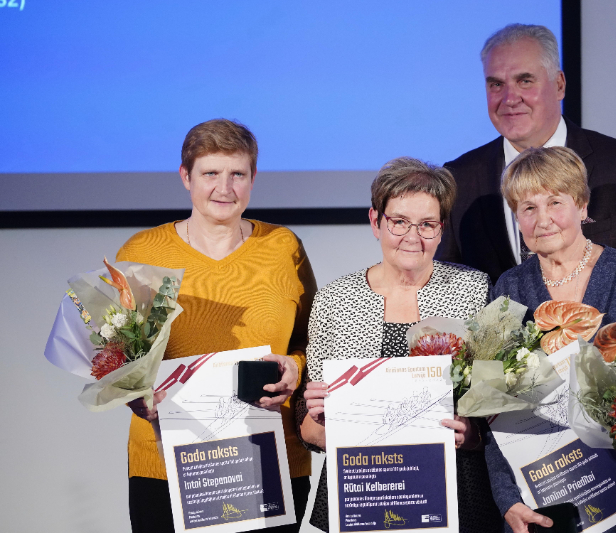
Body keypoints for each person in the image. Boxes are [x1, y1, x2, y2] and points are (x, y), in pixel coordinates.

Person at [483, 146, 616, 533]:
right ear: (516, 217)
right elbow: (493, 407)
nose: (543, 219)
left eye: (555, 202)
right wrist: (507, 498)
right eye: (528, 207)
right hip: (550, 494)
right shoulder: (507, 291)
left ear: (582, 206)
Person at [435, 23, 616, 340]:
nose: (510, 98)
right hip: (499, 370)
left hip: (612, 368)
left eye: (525, 81)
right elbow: (448, 292)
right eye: (496, 84)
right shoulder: (459, 178)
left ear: (559, 85)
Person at [119, 119, 316, 533]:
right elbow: (119, 355)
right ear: (185, 176)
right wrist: (131, 393)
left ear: (253, 178)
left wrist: (295, 369)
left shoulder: (283, 247)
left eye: (237, 174)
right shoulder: (143, 253)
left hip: (268, 459)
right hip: (168, 464)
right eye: (210, 173)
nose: (224, 188)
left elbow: (309, 341)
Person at [296, 157, 502, 533]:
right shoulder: (334, 299)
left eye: (427, 224)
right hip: (364, 487)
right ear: (375, 221)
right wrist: (318, 417)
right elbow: (309, 418)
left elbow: (499, 396)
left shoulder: (473, 290)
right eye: (399, 221)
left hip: (459, 490)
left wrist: (473, 435)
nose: (413, 236)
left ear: (441, 229)